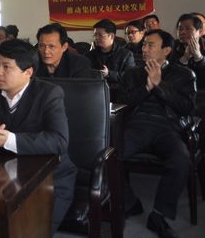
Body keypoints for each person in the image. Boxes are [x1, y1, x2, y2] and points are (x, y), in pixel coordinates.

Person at [0, 39, 76, 232]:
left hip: (48, 179)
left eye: (6, 67)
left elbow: (59, 141)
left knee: (33, 232)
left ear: (28, 72)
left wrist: (8, 140)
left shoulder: (49, 94)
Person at [117, 29, 195, 238]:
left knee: (181, 159)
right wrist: (146, 88)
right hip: (136, 125)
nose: (144, 49)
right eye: (144, 44)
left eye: (150, 45)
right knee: (107, 157)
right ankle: (130, 203)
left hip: (167, 127)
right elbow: (122, 104)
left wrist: (159, 85)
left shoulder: (184, 74)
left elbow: (186, 108)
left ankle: (159, 215)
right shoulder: (132, 73)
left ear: (166, 50)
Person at [85, 18, 135, 83]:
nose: (96, 38)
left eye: (100, 35)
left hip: (117, 88)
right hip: (95, 88)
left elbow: (130, 77)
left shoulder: (126, 55)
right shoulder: (89, 55)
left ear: (111, 36)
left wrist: (109, 74)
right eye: (95, 35)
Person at [171, 13, 205, 91]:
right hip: (179, 93)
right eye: (180, 29)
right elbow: (170, 76)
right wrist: (184, 59)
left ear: (200, 32)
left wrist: (199, 58)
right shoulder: (172, 46)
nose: (182, 32)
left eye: (188, 29)